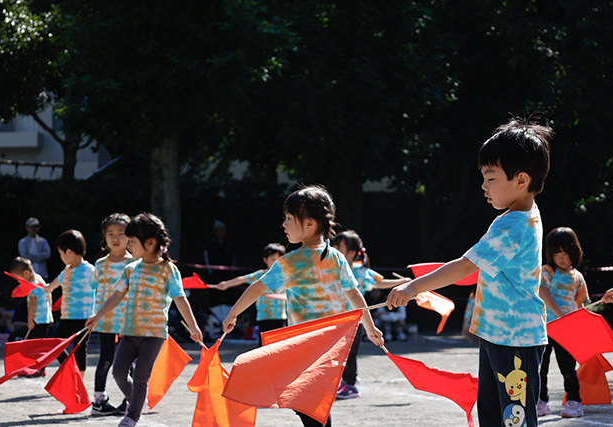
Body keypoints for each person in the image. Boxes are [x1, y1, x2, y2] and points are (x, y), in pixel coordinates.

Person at [386, 117, 552, 427]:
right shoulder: (521, 214)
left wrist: (413, 288)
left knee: (514, 420)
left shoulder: (513, 224)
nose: (483, 186)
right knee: (493, 416)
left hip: (515, 339)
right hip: (498, 334)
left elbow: (465, 265)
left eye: (490, 177)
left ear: (520, 180)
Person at [222, 185, 384, 427]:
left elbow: (257, 287)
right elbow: (354, 295)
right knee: (309, 402)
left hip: (305, 346)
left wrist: (233, 313)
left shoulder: (291, 262)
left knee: (305, 402)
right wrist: (369, 327)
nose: (284, 224)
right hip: (331, 344)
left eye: (288, 218)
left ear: (309, 223)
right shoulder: (336, 258)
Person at [85, 213, 203, 427]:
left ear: (150, 243)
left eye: (131, 242)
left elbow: (180, 299)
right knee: (119, 373)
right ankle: (137, 401)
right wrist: (97, 315)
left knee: (141, 376)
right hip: (129, 332)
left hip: (154, 334)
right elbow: (116, 295)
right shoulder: (131, 269)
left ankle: (132, 416)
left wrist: (193, 327)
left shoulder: (168, 270)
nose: (128, 246)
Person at [331, 230, 408, 399]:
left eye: (339, 246)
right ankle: (347, 380)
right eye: (334, 245)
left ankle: (351, 384)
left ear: (352, 253)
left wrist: (402, 282)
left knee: (349, 353)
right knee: (337, 352)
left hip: (355, 321)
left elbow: (379, 283)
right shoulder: (331, 268)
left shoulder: (361, 272)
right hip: (336, 319)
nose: (334, 248)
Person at [537, 227, 588, 418]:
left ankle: (574, 402)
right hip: (545, 328)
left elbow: (580, 304)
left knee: (568, 368)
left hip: (566, 331)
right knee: (541, 368)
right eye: (556, 253)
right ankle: (541, 402)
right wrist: (559, 315)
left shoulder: (577, 277)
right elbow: (543, 292)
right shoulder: (547, 271)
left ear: (574, 252)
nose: (561, 258)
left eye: (565, 253)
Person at [89, 214, 133, 416]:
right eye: (110, 234)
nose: (115, 238)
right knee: (105, 358)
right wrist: (93, 315)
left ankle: (131, 399)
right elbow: (94, 290)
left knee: (129, 362)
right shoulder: (99, 265)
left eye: (121, 233)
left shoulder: (136, 264)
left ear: (130, 237)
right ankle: (99, 401)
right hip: (105, 320)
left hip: (129, 321)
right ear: (104, 238)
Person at [44, 229, 95, 378]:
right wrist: (45, 287)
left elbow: (103, 290)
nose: (60, 257)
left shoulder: (90, 270)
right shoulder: (66, 271)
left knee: (80, 350)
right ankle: (71, 368)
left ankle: (80, 380)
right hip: (66, 318)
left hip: (84, 320)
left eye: (60, 254)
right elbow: (52, 286)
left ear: (69, 252)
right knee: (55, 344)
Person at [215, 243, 288, 345]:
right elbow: (243, 279)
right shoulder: (261, 275)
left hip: (281, 318)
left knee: (281, 347)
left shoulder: (287, 275)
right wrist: (227, 284)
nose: (276, 262)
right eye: (272, 259)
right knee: (264, 347)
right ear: (265, 260)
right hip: (263, 318)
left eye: (279, 259)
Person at [9, 257, 53, 376]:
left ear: (26, 273)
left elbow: (32, 305)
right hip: (46, 318)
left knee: (33, 346)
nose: (19, 282)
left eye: (19, 278)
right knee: (38, 345)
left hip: (38, 320)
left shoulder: (33, 286)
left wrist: (29, 321)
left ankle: (36, 368)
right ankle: (39, 369)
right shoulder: (39, 279)